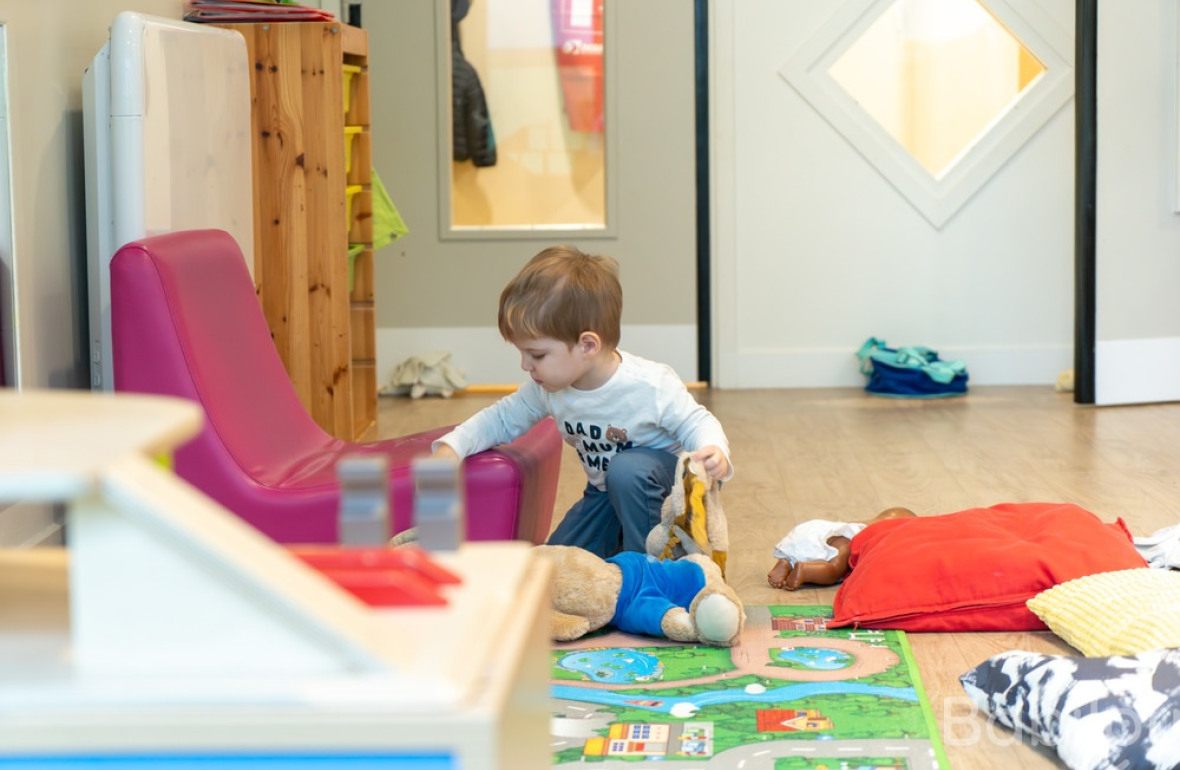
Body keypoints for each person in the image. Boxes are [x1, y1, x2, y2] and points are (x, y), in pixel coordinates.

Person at [433, 245, 733, 558]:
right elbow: (501, 419)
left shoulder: (649, 385)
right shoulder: (549, 387)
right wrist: (452, 447)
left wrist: (714, 451)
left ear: (587, 345)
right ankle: (621, 544)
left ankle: (659, 566)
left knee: (626, 470)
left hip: (660, 492)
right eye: (522, 353)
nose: (525, 365)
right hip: (603, 494)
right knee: (553, 565)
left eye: (537, 355)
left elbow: (698, 421)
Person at [766, 507, 916, 590]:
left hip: (818, 528)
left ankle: (787, 562)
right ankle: (805, 570)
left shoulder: (858, 523)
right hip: (845, 540)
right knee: (834, 569)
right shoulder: (865, 532)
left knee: (813, 552)